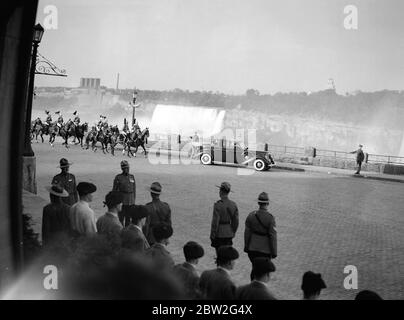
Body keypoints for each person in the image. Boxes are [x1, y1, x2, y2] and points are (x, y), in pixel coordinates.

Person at [244, 192, 277, 264]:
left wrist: (246, 247)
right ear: (268, 203)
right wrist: (274, 252)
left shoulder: (251, 215)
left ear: (258, 203)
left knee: (255, 269)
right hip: (265, 250)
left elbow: (247, 233)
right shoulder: (270, 218)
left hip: (252, 248)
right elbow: (273, 236)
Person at [210, 182, 239, 254]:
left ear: (221, 191)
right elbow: (236, 221)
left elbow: (215, 223)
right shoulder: (233, 204)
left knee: (220, 256)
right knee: (227, 255)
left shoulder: (218, 205)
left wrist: (212, 235)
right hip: (229, 233)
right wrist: (233, 232)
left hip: (219, 233)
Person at [113, 160, 136, 226]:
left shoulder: (132, 177)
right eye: (125, 168)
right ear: (122, 169)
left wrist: (133, 200)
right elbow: (114, 190)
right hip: (122, 201)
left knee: (128, 218)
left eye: (128, 168)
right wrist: (115, 201)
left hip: (130, 201)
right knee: (121, 218)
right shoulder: (118, 177)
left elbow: (134, 189)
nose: (127, 169)